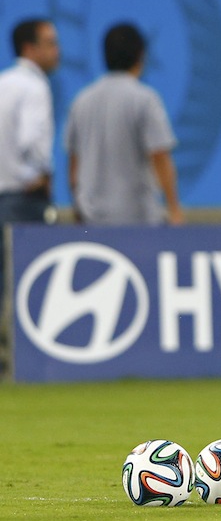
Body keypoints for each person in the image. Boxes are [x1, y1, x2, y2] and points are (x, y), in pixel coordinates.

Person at [64, 23, 183, 225]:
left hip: (91, 218)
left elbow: (74, 164)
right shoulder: (145, 99)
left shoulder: (81, 100)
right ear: (141, 55)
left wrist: (78, 207)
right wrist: (174, 208)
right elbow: (160, 156)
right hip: (137, 220)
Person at [0, 18, 60, 307]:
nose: (57, 51)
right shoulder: (34, 87)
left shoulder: (4, 83)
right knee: (30, 284)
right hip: (24, 198)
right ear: (29, 48)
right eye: (50, 44)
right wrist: (42, 174)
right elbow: (31, 141)